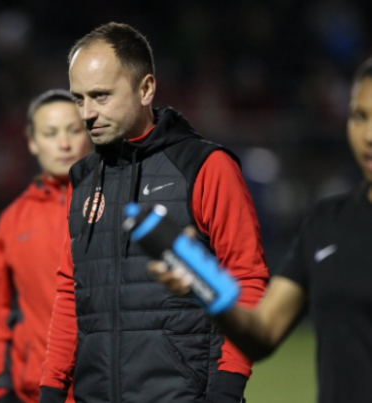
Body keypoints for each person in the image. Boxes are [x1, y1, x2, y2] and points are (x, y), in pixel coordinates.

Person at [39, 23, 269, 403]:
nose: (87, 114)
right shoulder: (82, 179)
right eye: (79, 99)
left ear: (145, 89)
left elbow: (246, 278)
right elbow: (71, 291)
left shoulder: (205, 167)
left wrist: (227, 389)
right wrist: (50, 390)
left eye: (100, 96)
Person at [149, 57, 372, 403]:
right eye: (360, 116)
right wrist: (204, 283)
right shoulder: (327, 222)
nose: (369, 135)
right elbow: (263, 333)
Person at [0, 89, 92, 403]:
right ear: (32, 141)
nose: (64, 143)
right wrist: (2, 385)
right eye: (50, 133)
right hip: (34, 392)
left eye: (74, 130)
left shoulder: (120, 203)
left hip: (110, 390)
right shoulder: (14, 219)